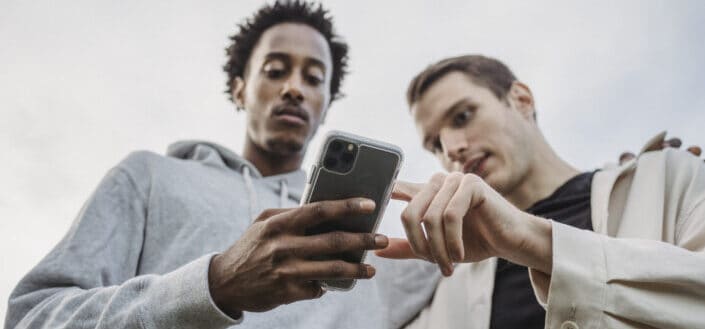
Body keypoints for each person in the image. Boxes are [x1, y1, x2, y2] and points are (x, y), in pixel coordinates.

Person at [5, 2, 437, 328]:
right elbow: (31, 317)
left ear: (325, 107)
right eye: (274, 70)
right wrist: (212, 286)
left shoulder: (370, 242)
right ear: (239, 89)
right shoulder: (151, 177)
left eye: (313, 78)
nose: (293, 88)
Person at [376, 54, 705, 329]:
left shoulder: (667, 177)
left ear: (521, 99)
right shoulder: (452, 287)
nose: (452, 149)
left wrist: (535, 242)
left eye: (462, 116)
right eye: (435, 144)